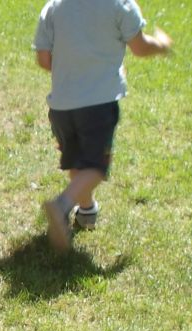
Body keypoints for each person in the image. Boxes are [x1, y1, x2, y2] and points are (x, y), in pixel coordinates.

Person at [33, 0, 173, 251]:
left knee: (78, 163)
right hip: (98, 105)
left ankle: (87, 211)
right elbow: (140, 48)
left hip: (61, 106)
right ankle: (62, 205)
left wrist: (74, 69)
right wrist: (161, 45)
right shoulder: (120, 4)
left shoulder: (54, 7)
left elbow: (44, 59)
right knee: (95, 167)